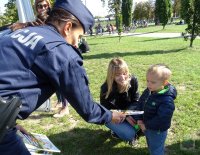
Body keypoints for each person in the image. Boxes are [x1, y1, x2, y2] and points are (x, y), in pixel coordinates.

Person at [0, 0, 126, 154]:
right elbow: (87, 109)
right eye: (79, 36)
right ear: (67, 28)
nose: (77, 43)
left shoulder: (17, 33)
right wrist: (110, 115)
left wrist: (9, 122)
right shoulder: (62, 51)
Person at [136, 64, 177, 155]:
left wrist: (145, 125)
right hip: (147, 126)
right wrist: (139, 119)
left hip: (157, 131)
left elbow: (161, 119)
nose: (148, 84)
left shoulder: (166, 100)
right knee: (152, 145)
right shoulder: (150, 90)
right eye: (147, 81)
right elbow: (141, 102)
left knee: (156, 149)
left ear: (165, 83)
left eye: (153, 82)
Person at [100, 58, 140, 144]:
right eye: (117, 75)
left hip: (129, 112)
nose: (122, 77)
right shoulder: (105, 89)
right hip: (115, 116)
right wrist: (124, 116)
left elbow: (136, 100)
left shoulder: (133, 80)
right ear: (111, 76)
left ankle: (132, 129)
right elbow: (105, 111)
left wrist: (127, 114)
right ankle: (116, 131)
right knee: (129, 134)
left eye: (124, 73)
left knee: (144, 124)